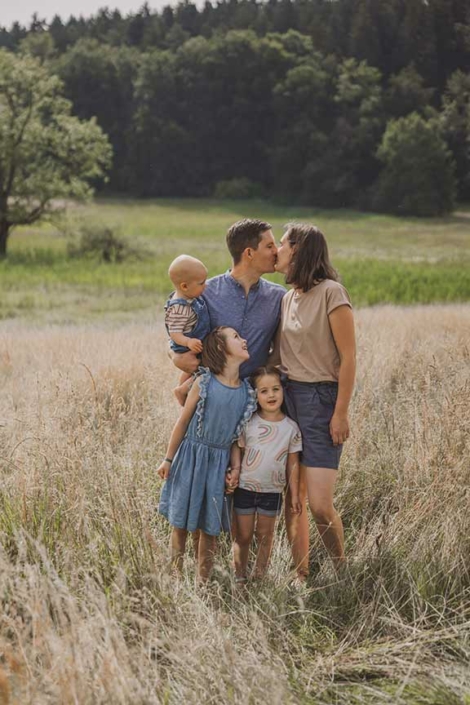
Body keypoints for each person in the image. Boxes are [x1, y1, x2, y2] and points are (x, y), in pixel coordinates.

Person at [273, 223, 356, 576]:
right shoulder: (287, 297)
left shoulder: (332, 293)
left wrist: (341, 412)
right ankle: (301, 573)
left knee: (320, 505)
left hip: (322, 401)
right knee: (293, 502)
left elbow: (349, 357)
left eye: (281, 243)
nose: (276, 249)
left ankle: (342, 570)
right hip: (288, 400)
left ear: (299, 249)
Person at [157, 327, 257, 581]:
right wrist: (168, 459)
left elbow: (236, 438)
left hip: (218, 466)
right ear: (222, 349)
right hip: (190, 458)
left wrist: (235, 469)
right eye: (237, 337)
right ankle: (175, 577)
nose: (244, 339)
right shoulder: (205, 382)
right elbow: (182, 423)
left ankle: (203, 581)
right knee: (179, 523)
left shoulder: (246, 393)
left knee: (209, 530)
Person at [172, 219, 285, 381]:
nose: (277, 251)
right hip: (211, 396)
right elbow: (174, 332)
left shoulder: (279, 297)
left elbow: (280, 351)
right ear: (249, 253)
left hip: (255, 398)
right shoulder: (204, 292)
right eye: (269, 246)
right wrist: (174, 355)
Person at [230, 366, 302, 585]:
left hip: (272, 491)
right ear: (255, 396)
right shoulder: (248, 423)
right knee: (242, 536)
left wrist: (295, 494)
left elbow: (293, 464)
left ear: (282, 391)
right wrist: (234, 472)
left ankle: (259, 577)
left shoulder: (291, 428)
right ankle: (239, 576)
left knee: (265, 535)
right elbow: (237, 449)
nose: (271, 395)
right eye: (264, 391)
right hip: (244, 488)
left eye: (275, 389)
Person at [164, 255, 210, 405]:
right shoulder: (179, 308)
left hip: (192, 340)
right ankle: (183, 389)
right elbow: (174, 333)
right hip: (185, 344)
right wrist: (188, 342)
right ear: (184, 286)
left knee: (193, 370)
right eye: (201, 283)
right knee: (201, 369)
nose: (206, 286)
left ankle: (181, 388)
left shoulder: (190, 296)